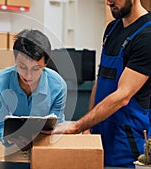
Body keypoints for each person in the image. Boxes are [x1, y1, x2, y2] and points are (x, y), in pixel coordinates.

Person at [53, 0, 151, 167]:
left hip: (127, 138)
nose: (108, 2)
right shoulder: (112, 29)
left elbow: (123, 96)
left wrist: (77, 125)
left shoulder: (147, 36)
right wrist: (88, 126)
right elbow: (101, 79)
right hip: (100, 133)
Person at [0, 29, 67, 161]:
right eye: (22, 67)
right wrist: (10, 140)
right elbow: (1, 126)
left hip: (47, 146)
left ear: (45, 65)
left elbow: (57, 127)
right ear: (15, 60)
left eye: (36, 69)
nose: (28, 75)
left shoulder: (58, 86)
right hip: (15, 147)